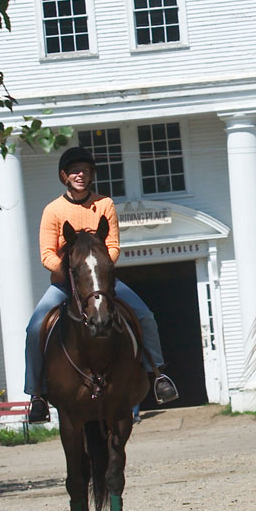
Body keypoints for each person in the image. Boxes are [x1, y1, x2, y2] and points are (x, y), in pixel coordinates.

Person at [25, 146, 179, 423]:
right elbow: (47, 254)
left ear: (92, 174)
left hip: (101, 282)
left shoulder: (105, 204)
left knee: (144, 315)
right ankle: (37, 393)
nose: (80, 175)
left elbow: (113, 246)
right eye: (74, 171)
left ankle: (158, 374)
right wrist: (71, 273)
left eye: (84, 170)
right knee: (35, 327)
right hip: (65, 284)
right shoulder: (53, 210)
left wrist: (98, 270)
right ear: (64, 176)